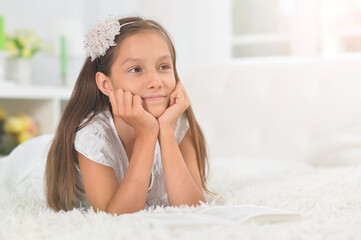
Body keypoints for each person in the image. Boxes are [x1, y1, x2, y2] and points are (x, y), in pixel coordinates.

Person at [40, 15, 211, 214]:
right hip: (33, 162)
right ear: (106, 84)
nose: (156, 81)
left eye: (163, 67)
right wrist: (147, 135)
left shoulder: (176, 122)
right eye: (136, 69)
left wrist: (165, 130)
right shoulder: (93, 135)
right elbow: (117, 218)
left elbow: (194, 209)